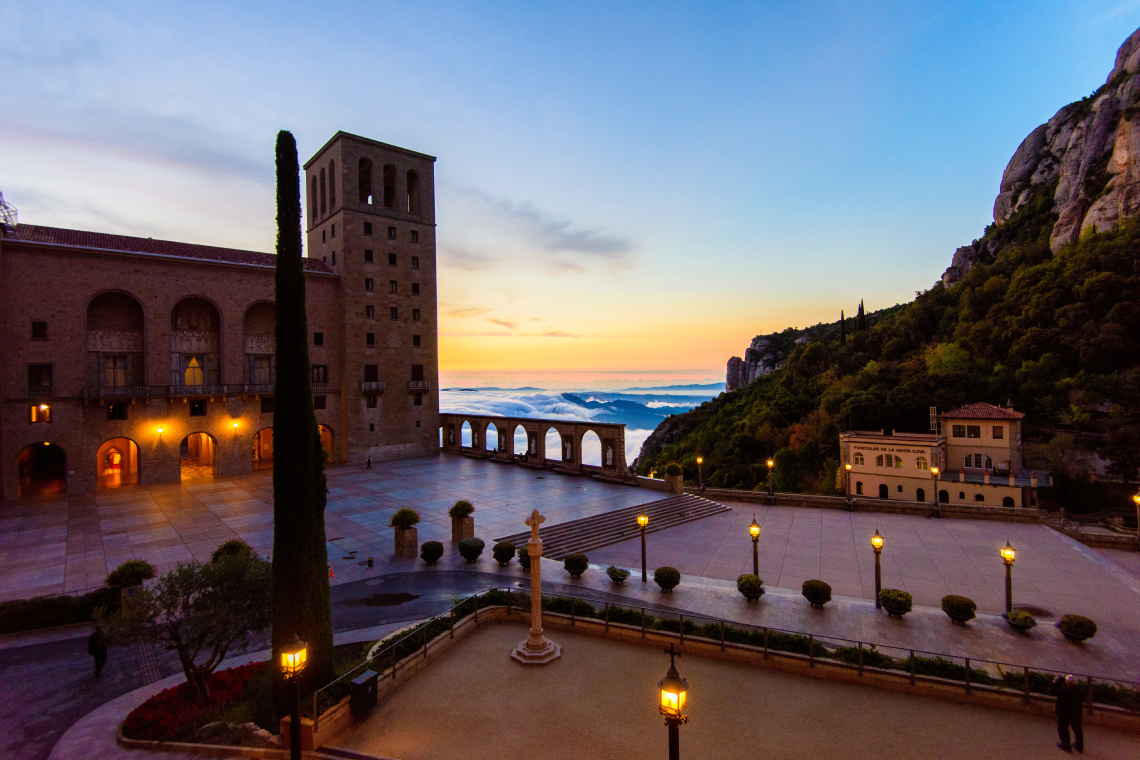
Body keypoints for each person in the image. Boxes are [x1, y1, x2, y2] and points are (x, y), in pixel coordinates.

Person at [1052, 674, 1084, 753]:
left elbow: (1052, 690)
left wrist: (1055, 681)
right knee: (1077, 729)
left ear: (1067, 682)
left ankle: (1066, 745)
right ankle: (1079, 745)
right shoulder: (1079, 691)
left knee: (1063, 728)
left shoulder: (1064, 691)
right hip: (1076, 713)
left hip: (1064, 714)